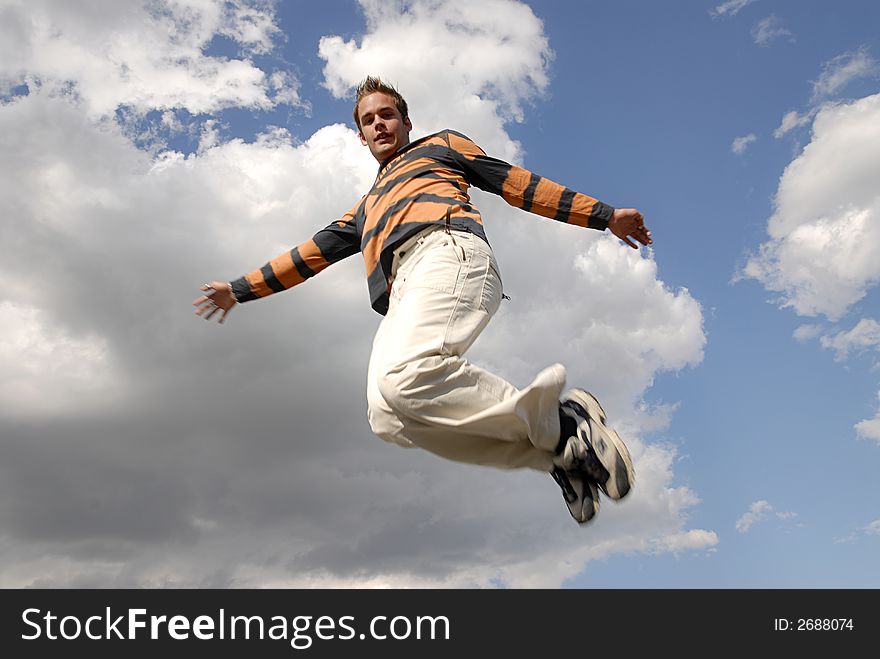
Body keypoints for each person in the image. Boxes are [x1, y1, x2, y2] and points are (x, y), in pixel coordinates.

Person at [193, 76, 652, 524]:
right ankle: (559, 453)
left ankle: (563, 422)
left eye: (387, 115)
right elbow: (308, 255)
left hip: (446, 249)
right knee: (386, 416)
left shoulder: (441, 146)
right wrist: (238, 289)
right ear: (360, 136)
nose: (379, 124)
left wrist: (604, 215)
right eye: (368, 120)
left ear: (406, 122)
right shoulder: (366, 207)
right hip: (402, 292)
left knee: (403, 378)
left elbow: (515, 183)